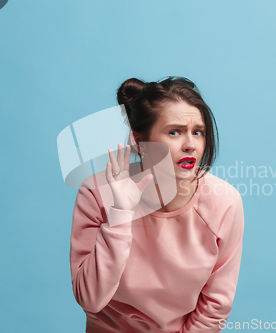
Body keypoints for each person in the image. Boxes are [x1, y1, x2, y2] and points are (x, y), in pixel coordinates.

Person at [69, 76, 245, 333]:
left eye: (198, 132)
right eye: (175, 132)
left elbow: (215, 306)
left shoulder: (225, 203)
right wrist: (121, 214)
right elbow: (90, 299)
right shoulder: (96, 193)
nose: (190, 145)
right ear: (139, 141)